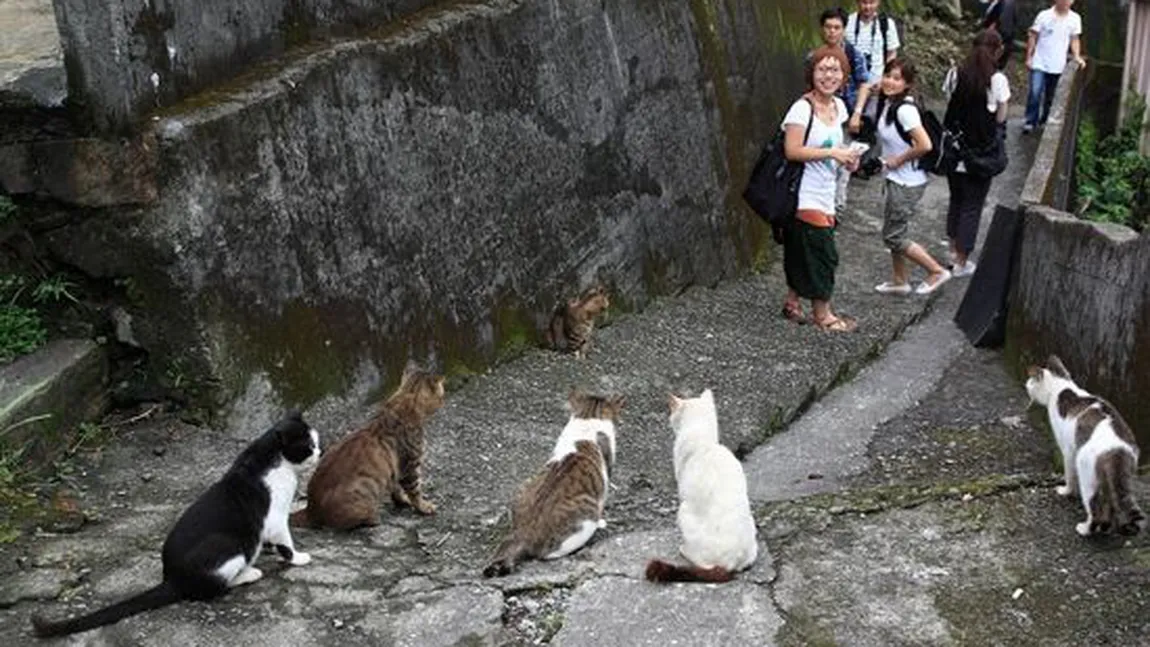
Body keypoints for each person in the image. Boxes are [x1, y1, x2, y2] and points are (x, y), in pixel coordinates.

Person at [780, 45, 861, 333]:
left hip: (828, 189)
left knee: (802, 251)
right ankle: (823, 315)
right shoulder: (802, 109)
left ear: (844, 75)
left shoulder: (840, 107)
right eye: (822, 69)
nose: (829, 75)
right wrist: (831, 155)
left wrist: (846, 159)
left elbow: (834, 146)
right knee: (823, 253)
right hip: (803, 192)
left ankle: (792, 302)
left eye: (835, 69)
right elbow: (792, 150)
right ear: (811, 74)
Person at [870, 59, 952, 297]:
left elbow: (924, 144)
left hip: (907, 181)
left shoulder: (905, 109)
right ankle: (899, 280)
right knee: (894, 229)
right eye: (888, 75)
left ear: (907, 84)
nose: (890, 81)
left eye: (897, 78)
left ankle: (936, 270)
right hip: (897, 179)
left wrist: (898, 161)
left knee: (894, 236)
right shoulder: (889, 102)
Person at [944, 30, 1011, 277]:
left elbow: (950, 108)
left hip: (956, 152)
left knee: (956, 200)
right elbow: (1002, 116)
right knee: (972, 206)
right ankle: (961, 262)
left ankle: (952, 252)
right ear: (998, 50)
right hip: (980, 155)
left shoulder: (955, 74)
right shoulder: (997, 80)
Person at [806, 8, 870, 211]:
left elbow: (864, 84)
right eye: (828, 27)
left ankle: (837, 207)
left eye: (837, 27)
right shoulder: (814, 56)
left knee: (844, 165)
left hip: (845, 116)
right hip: (821, 116)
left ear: (843, 29)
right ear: (822, 29)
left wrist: (857, 113)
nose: (832, 31)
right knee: (822, 158)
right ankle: (821, 205)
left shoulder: (852, 54)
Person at [1023, 0, 1085, 134]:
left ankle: (1045, 119)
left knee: (1051, 96)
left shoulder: (1075, 19)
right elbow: (1033, 36)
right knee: (1035, 91)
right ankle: (1030, 121)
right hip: (1039, 61)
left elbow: (1074, 39)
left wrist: (1077, 56)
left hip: (1058, 64)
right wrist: (1029, 57)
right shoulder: (1044, 15)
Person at [845, 0, 900, 138]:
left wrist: (884, 79)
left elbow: (891, 54)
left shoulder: (886, 24)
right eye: (864, 2)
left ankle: (870, 153)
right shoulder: (848, 22)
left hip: (876, 86)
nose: (867, 7)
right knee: (849, 125)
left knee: (871, 124)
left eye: (872, 2)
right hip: (852, 86)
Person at [981, 0, 1018, 69]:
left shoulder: (1007, 4)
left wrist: (999, 45)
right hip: (992, 46)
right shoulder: (997, 4)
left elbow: (1005, 28)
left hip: (996, 47)